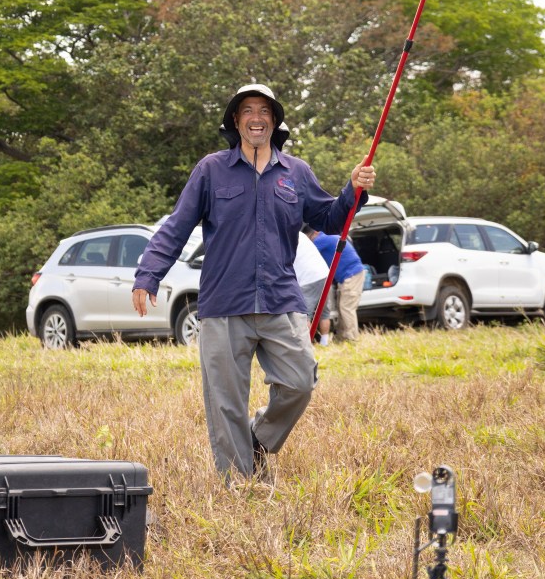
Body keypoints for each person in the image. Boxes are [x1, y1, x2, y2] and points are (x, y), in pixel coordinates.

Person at [132, 83, 376, 481]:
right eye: (247, 110)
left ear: (275, 121)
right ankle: (239, 487)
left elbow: (331, 218)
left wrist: (354, 189)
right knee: (225, 401)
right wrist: (148, 275)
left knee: (300, 381)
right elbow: (176, 227)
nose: (256, 117)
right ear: (235, 120)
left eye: (264, 110)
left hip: (281, 299)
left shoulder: (295, 172)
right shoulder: (211, 170)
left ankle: (259, 440)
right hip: (224, 303)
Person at [306, 228, 366, 342]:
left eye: (309, 238)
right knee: (342, 307)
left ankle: (352, 339)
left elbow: (306, 252)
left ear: (315, 233)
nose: (310, 240)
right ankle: (342, 337)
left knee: (346, 308)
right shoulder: (329, 235)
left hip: (351, 274)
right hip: (351, 274)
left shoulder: (321, 239)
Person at [293, 227, 332, 346]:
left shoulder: (283, 238)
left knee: (304, 314)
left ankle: (306, 346)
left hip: (308, 278)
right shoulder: (301, 235)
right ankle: (325, 343)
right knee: (324, 312)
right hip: (324, 274)